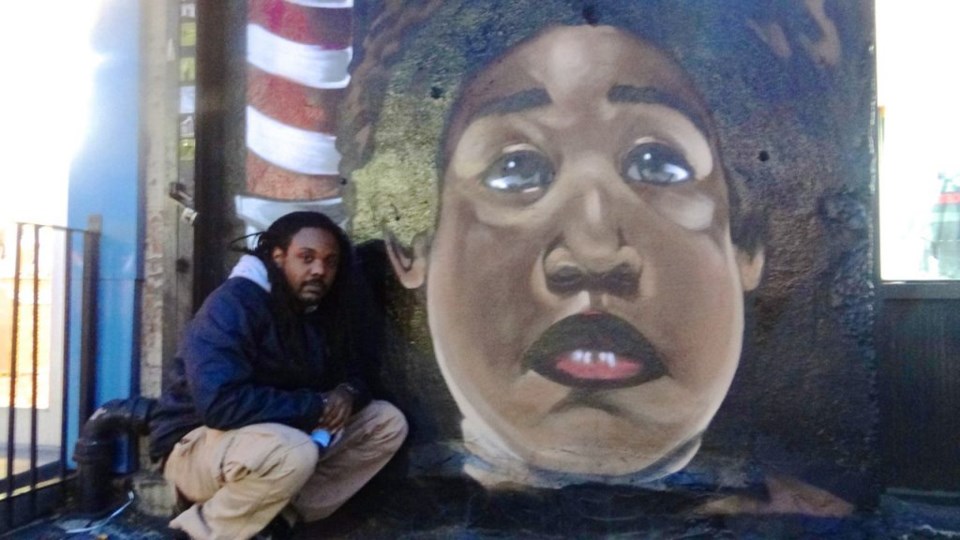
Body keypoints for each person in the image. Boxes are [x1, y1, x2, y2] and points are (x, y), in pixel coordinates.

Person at [149, 211, 408, 539]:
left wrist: (347, 392)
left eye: (330, 262)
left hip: (273, 444)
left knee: (386, 423)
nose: (319, 270)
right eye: (307, 257)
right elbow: (220, 405)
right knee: (292, 451)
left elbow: (355, 372)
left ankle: (274, 521)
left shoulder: (317, 310)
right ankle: (195, 532)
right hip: (195, 446)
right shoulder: (234, 304)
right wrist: (316, 405)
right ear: (278, 256)